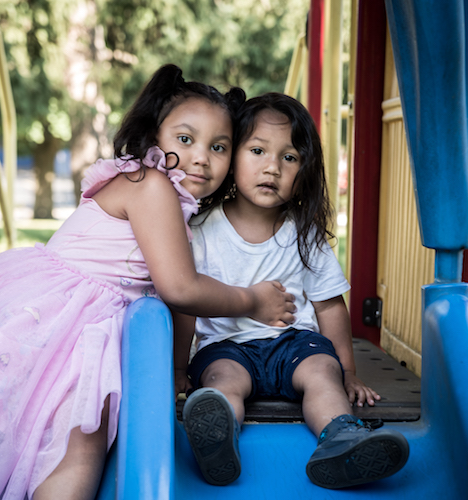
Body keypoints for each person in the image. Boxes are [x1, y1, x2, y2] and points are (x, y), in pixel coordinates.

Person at [0, 66, 297, 500]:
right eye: (186, 139)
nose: (202, 156)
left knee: (79, 441)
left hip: (89, 334)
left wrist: (178, 371)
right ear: (153, 137)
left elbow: (177, 298)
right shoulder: (151, 185)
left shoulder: (174, 203)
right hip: (54, 316)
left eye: (219, 147)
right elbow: (181, 288)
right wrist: (251, 300)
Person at [175, 93, 409, 490]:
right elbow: (187, 305)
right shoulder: (200, 230)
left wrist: (347, 371)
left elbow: (330, 306)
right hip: (228, 347)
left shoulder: (305, 233)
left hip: (295, 344)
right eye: (258, 150)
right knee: (221, 381)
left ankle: (341, 438)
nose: (272, 167)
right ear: (231, 159)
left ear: (305, 169)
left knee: (322, 374)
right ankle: (218, 439)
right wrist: (179, 369)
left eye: (289, 157)